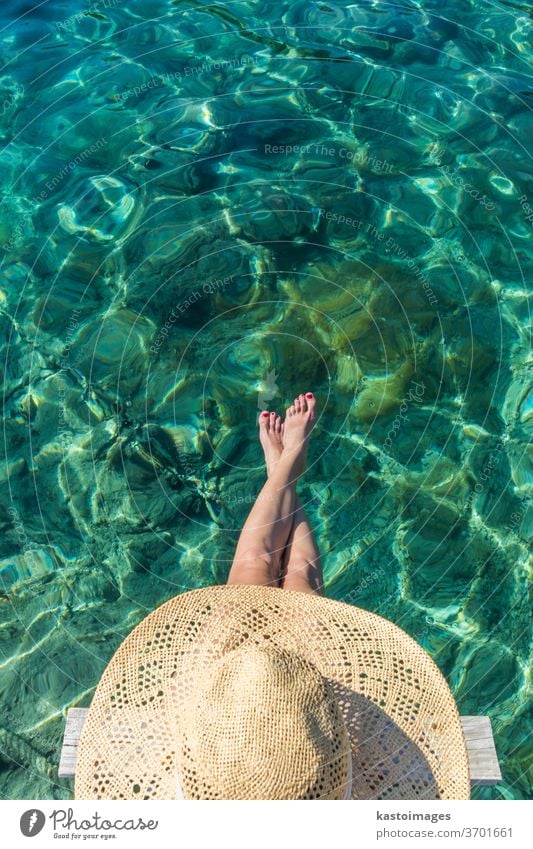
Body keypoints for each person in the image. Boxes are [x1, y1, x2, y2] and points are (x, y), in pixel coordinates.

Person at [74, 390, 471, 801]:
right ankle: (285, 468)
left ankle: (284, 470)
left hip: (237, 692)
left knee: (276, 573)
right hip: (286, 710)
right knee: (278, 571)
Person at [227, 391, 324, 595]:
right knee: (302, 572)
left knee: (253, 562)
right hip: (305, 628)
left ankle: (283, 468)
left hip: (237, 626)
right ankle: (285, 465)